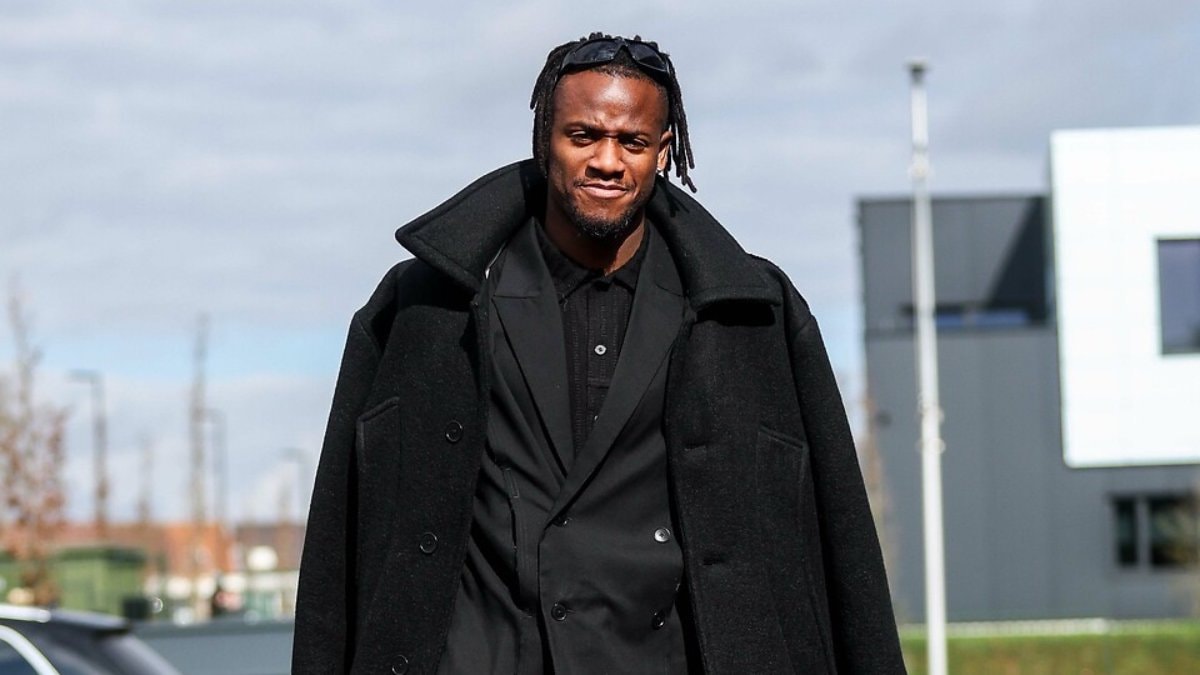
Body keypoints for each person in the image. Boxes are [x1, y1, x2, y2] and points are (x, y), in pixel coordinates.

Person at [293, 33, 905, 674]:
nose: (607, 161)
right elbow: (340, 531)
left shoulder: (753, 315)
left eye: (631, 142)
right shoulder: (427, 305)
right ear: (544, 140)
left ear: (662, 151)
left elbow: (843, 538)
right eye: (583, 136)